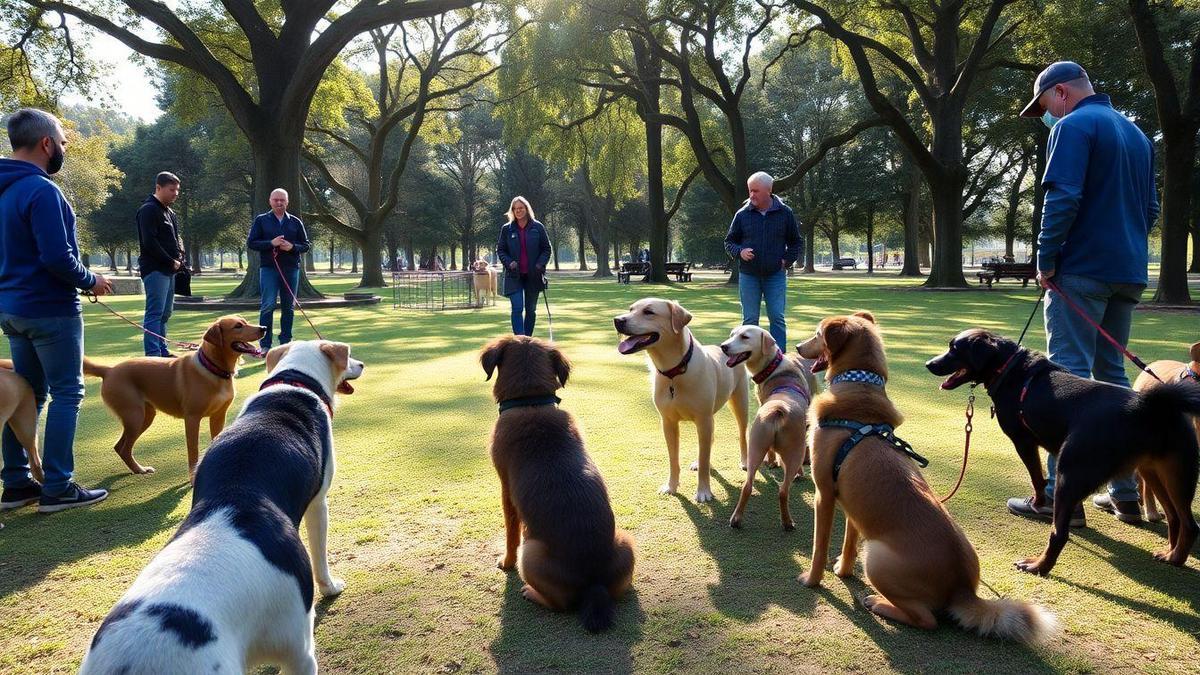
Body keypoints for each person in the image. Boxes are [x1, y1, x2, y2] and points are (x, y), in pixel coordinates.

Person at [1006, 61, 1158, 527]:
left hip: (1081, 271)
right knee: (1112, 378)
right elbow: (1150, 208)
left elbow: (1063, 197)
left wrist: (1046, 258)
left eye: (1045, 106)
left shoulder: (1073, 126)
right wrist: (1125, 249)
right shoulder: (1138, 135)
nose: (1046, 116)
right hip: (1126, 271)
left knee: (1067, 378)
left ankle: (1058, 496)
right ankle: (1125, 493)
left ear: (1060, 94)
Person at [0, 108, 113, 513]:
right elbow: (57, 257)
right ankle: (59, 486)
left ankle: (16, 484)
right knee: (68, 392)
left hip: (11, 309)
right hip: (49, 309)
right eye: (63, 141)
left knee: (29, 393)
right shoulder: (42, 190)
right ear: (46, 144)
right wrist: (91, 280)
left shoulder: (5, 189)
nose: (63, 148)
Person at [723, 171, 802, 350]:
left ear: (769, 191)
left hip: (775, 275)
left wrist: (787, 261)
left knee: (777, 318)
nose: (751, 195)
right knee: (750, 320)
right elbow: (729, 242)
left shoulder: (785, 213)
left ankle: (779, 360)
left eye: (756, 191)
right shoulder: (742, 214)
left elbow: (796, 242)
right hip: (749, 276)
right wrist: (740, 252)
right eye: (750, 190)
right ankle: (749, 357)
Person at [247, 188, 310, 351]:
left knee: (288, 306)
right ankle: (265, 345)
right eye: (276, 200)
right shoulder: (261, 220)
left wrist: (292, 247)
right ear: (270, 201)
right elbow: (252, 243)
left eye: (282, 200)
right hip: (269, 268)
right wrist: (271, 243)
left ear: (287, 202)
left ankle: (286, 343)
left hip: (291, 269)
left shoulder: (295, 222)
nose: (279, 203)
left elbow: (306, 245)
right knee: (268, 305)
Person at [136, 171, 185, 357]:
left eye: (177, 190)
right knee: (155, 313)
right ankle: (153, 353)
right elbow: (149, 242)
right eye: (171, 189)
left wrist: (180, 257)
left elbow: (175, 238)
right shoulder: (148, 209)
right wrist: (170, 260)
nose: (175, 193)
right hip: (155, 269)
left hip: (170, 269)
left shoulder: (170, 212)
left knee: (165, 313)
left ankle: (162, 350)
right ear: (159, 187)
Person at [496, 196, 551, 336]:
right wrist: (509, 262)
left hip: (533, 275)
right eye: (515, 209)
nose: (518, 211)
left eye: (521, 208)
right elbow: (501, 250)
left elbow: (546, 248)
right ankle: (520, 340)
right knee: (517, 308)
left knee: (531, 310)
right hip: (514, 276)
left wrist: (540, 264)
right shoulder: (506, 229)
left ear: (526, 209)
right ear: (512, 211)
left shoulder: (538, 227)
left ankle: (527, 339)